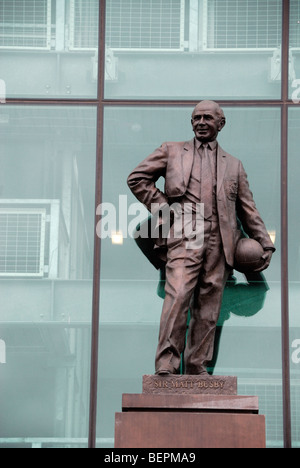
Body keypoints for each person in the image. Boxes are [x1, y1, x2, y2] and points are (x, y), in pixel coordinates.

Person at [127, 100, 275, 375]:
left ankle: (197, 366)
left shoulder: (234, 165)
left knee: (209, 305)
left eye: (208, 118)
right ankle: (166, 364)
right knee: (179, 294)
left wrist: (264, 242)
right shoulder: (171, 150)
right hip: (186, 233)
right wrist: (164, 208)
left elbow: (248, 209)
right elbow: (137, 178)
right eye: (196, 118)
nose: (201, 122)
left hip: (220, 239)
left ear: (221, 123)